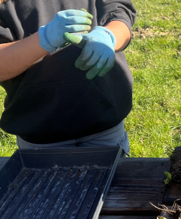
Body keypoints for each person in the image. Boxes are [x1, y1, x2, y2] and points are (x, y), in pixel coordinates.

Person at [0, 0, 135, 153]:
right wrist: (44, 39)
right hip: (40, 136)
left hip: (104, 127)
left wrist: (108, 36)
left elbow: (120, 14)